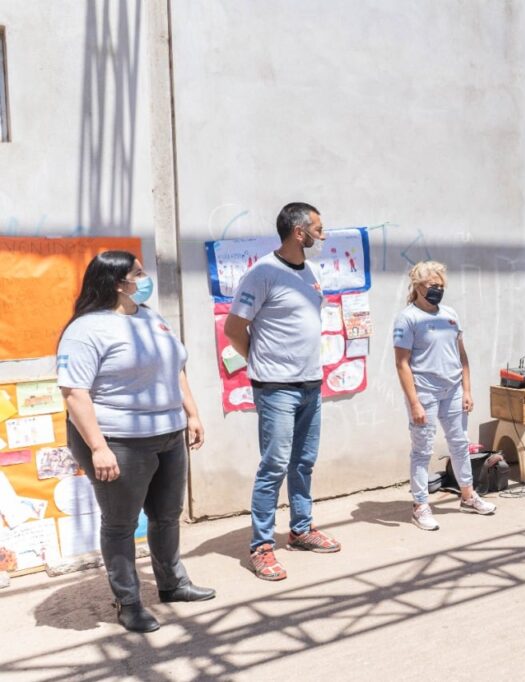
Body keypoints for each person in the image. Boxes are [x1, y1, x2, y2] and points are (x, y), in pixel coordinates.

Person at [57, 251, 213, 633]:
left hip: (168, 435)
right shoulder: (86, 329)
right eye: (137, 274)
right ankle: (128, 602)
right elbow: (75, 393)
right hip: (119, 440)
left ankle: (173, 585)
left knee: (166, 515)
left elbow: (175, 369)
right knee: (121, 524)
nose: (144, 279)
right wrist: (98, 447)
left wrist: (191, 414)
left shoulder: (152, 318)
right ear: (116, 282)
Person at [224, 202, 341, 582]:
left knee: (303, 462)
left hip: (310, 382)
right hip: (276, 388)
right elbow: (234, 329)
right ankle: (261, 546)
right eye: (318, 229)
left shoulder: (310, 272)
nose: (322, 236)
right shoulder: (263, 273)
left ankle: (301, 528)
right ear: (298, 232)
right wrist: (260, 363)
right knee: (274, 465)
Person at [393, 261, 496, 530]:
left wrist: (467, 390)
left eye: (441, 286)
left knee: (460, 443)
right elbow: (402, 363)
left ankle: (467, 495)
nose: (438, 290)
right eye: (432, 285)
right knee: (422, 450)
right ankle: (419, 505)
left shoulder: (450, 314)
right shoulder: (408, 318)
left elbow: (461, 355)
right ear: (417, 286)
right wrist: (414, 402)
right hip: (424, 392)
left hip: (453, 391)